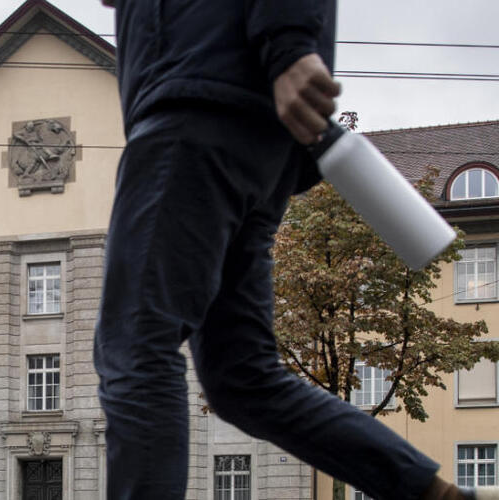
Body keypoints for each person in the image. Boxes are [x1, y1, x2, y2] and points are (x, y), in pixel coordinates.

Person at [92, 1, 497, 499]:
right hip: (247, 128)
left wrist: (289, 45)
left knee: (136, 342)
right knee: (241, 378)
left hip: (198, 101)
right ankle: (433, 495)